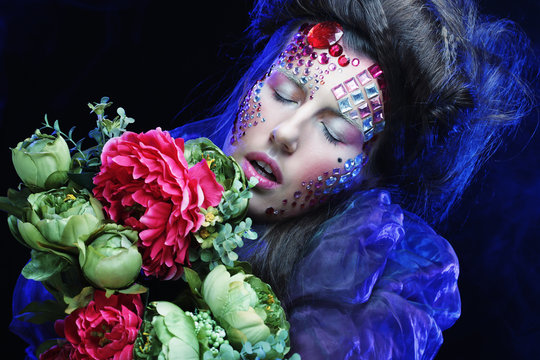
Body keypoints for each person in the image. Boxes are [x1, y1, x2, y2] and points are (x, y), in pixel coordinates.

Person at [169, 0, 535, 358]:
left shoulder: (374, 300)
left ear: (368, 173)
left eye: (333, 132)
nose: (286, 133)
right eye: (283, 94)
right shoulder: (145, 177)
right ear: (254, 78)